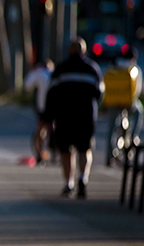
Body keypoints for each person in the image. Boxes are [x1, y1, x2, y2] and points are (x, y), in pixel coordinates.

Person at [42, 38, 103, 199]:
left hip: (65, 117)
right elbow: (99, 93)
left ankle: (68, 184)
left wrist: (48, 118)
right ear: (84, 51)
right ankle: (83, 177)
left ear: (69, 51)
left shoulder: (61, 69)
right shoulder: (92, 68)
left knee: (66, 151)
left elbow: (51, 95)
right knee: (85, 149)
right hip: (86, 117)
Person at [104, 46, 144, 165]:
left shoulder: (113, 65)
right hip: (128, 103)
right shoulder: (134, 68)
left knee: (111, 129)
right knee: (139, 112)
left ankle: (109, 156)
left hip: (112, 102)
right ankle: (133, 136)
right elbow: (137, 90)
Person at [24, 59, 55, 163]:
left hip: (43, 108)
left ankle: (39, 154)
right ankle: (54, 154)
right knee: (51, 129)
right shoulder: (55, 74)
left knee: (40, 132)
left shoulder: (39, 74)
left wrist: (35, 71)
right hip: (55, 108)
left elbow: (27, 85)